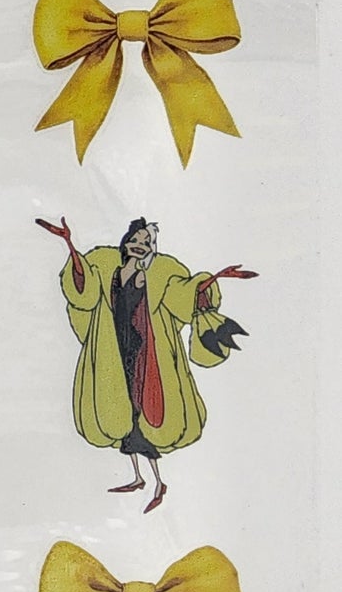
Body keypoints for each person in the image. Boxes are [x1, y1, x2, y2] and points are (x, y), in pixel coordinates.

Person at [38, 216, 254, 513]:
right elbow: (82, 287)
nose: (140, 245)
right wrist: (69, 243)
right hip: (116, 346)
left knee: (147, 409)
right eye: (136, 240)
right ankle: (138, 477)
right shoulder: (107, 269)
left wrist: (215, 278)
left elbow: (184, 293)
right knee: (122, 410)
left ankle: (158, 481)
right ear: (126, 243)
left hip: (146, 349)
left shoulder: (160, 274)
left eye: (146, 242)